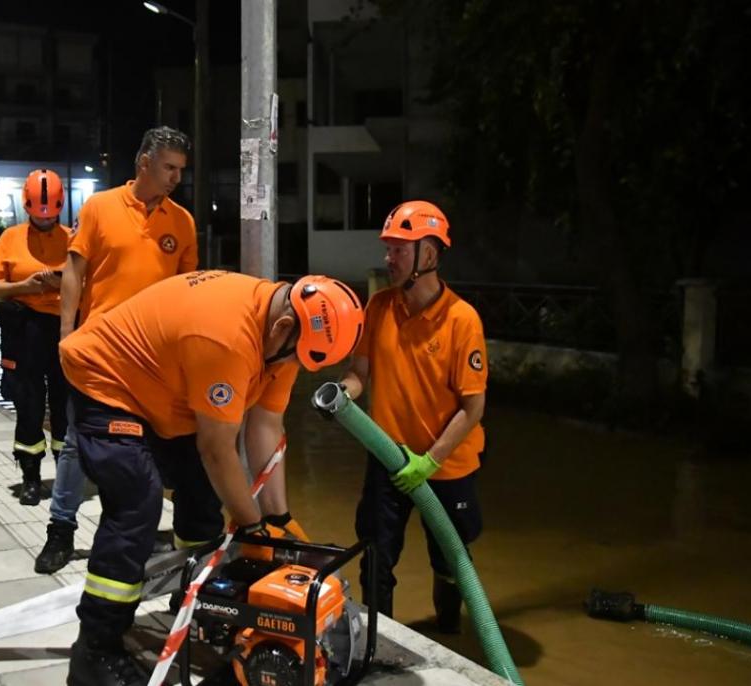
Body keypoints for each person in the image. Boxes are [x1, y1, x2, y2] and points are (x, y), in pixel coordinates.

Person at [60, 270, 364, 685]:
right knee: (137, 502)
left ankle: (197, 602)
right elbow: (217, 448)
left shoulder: (290, 332)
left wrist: (277, 521)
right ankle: (95, 651)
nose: (294, 367)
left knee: (202, 497)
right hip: (106, 380)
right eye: (295, 357)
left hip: (165, 387)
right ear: (283, 328)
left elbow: (266, 426)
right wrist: (253, 527)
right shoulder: (227, 340)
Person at [37, 126, 199, 575]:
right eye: (169, 167)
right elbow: (74, 272)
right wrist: (67, 333)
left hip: (155, 358)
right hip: (98, 351)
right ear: (143, 162)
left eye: (180, 171)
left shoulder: (181, 223)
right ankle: (60, 530)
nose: (175, 178)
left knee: (144, 445)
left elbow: (188, 291)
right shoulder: (99, 208)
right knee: (76, 444)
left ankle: (134, 528)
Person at [338, 200, 488, 633]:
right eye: (388, 248)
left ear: (430, 254)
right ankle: (377, 645)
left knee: (450, 559)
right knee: (376, 557)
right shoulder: (379, 307)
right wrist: (341, 396)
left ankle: (447, 631)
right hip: (388, 460)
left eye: (400, 249)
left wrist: (431, 460)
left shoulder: (462, 321)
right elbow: (359, 373)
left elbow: (472, 406)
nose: (389, 258)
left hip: (447, 467)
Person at [0, 169, 71, 506]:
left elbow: (89, 281)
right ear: (27, 207)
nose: (45, 220)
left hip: (64, 328)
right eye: (39, 214)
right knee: (29, 404)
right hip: (24, 331)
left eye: (51, 215)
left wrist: (59, 283)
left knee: (66, 407)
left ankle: (66, 478)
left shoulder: (73, 237)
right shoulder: (10, 238)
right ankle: (31, 477)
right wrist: (26, 287)